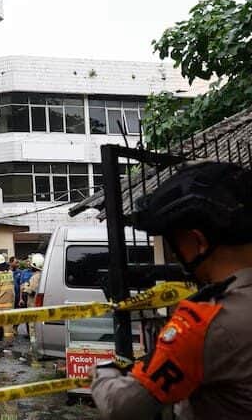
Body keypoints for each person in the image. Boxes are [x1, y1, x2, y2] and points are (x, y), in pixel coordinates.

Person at [92, 162, 252, 420]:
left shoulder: (203, 325)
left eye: (174, 243)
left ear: (197, 242)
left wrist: (104, 373)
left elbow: (125, 407)